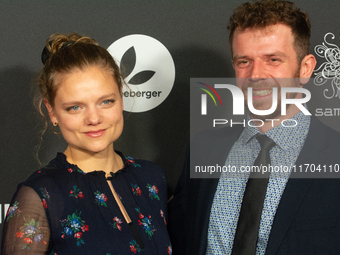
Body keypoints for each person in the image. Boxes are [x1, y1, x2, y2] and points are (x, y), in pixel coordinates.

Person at [168, 0, 340, 254]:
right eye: (244, 62)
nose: (256, 74)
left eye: (273, 59)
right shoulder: (204, 149)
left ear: (305, 68)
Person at [1, 33, 171, 255]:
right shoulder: (40, 195)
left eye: (106, 101)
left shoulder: (152, 178)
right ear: (52, 111)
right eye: (75, 107)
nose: (93, 118)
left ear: (121, 98)